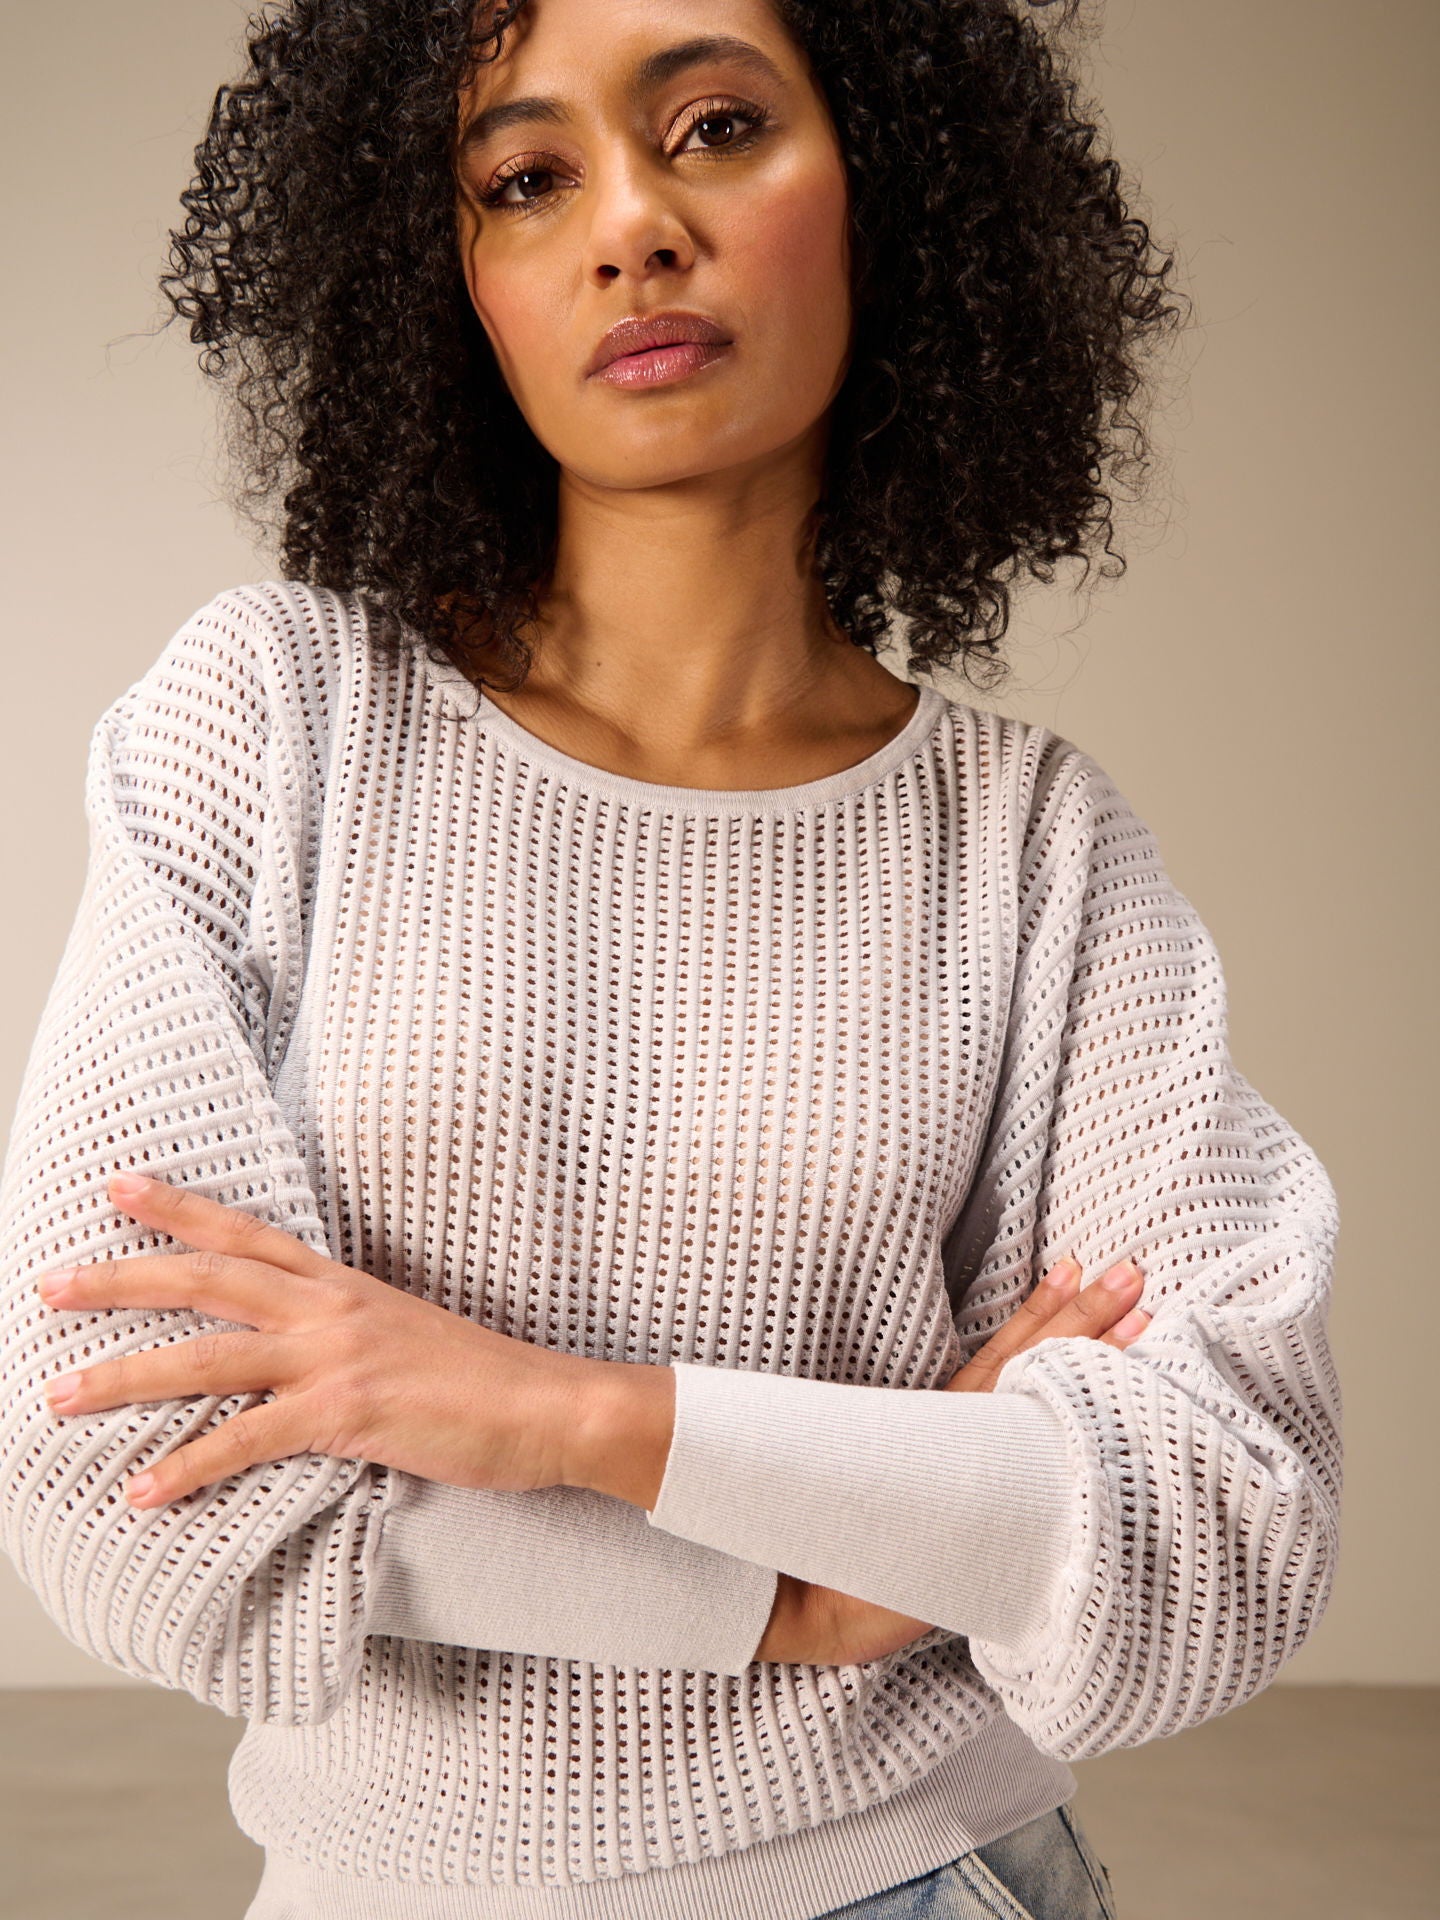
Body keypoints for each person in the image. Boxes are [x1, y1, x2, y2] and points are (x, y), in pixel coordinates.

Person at [0, 2, 1342, 1917]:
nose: (632, 226)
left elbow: (1223, 1517)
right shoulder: (279, 721)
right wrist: (791, 1588)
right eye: (527, 178)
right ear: (453, 280)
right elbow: (112, 1458)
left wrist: (568, 1414)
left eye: (713, 126)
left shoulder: (1032, 846)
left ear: (887, 185)